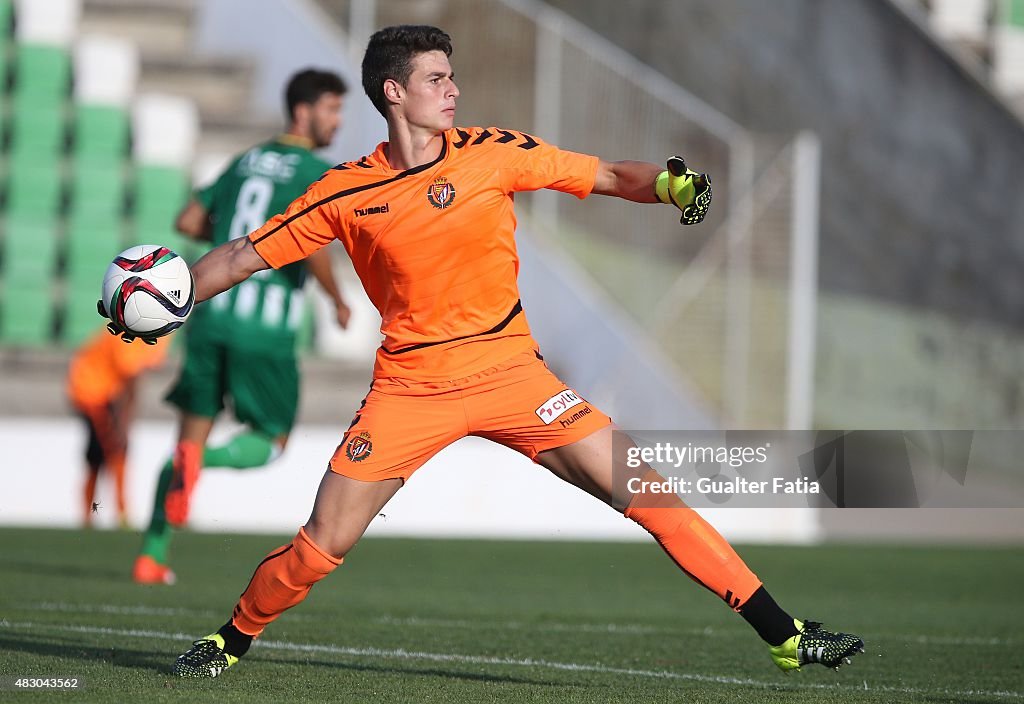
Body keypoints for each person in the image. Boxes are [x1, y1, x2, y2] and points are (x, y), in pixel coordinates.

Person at [104, 25, 863, 677]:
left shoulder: (493, 153)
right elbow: (240, 255)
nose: (454, 90)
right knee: (318, 547)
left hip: (514, 375)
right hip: (410, 390)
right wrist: (172, 300)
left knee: (648, 490)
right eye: (437, 79)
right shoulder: (342, 192)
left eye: (453, 76)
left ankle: (786, 636)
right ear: (393, 94)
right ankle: (230, 640)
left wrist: (667, 183)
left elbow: (601, 174)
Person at [131, 68, 353, 586]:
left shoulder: (245, 160)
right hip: (264, 327)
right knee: (271, 439)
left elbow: (187, 221)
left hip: (208, 317)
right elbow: (313, 242)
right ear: (303, 111)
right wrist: (337, 297)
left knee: (186, 434)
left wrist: (231, 230)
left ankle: (151, 555)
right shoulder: (314, 171)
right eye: (332, 109)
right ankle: (202, 460)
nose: (338, 122)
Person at [67, 328, 168, 528]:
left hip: (102, 393)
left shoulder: (143, 331)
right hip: (92, 392)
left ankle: (101, 515)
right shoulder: (129, 334)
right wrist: (124, 423)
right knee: (111, 451)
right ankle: (111, 514)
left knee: (109, 452)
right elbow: (131, 379)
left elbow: (135, 376)